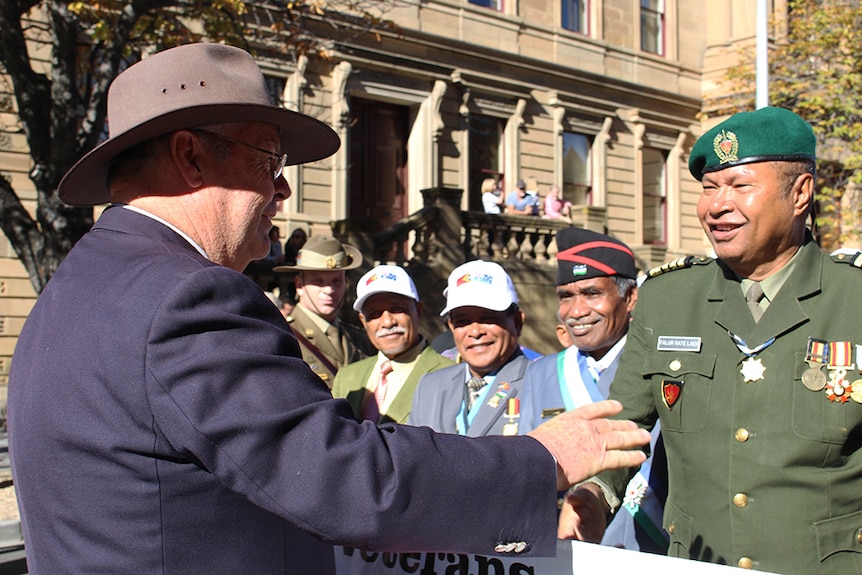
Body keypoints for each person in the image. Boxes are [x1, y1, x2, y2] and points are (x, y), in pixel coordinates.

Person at [7, 43, 649, 574]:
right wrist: (542, 462)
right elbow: (341, 474)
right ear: (191, 156)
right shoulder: (186, 295)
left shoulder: (79, 287)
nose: (283, 188)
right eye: (269, 160)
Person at [560, 106, 862, 574]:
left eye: (740, 186)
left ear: (800, 193)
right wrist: (596, 495)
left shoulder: (853, 297)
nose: (717, 205)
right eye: (709, 187)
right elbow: (621, 425)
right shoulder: (667, 298)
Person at [519, 227, 668, 554]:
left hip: (653, 554)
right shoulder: (541, 374)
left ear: (630, 298)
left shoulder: (665, 366)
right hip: (570, 554)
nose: (576, 311)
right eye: (566, 296)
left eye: (591, 293)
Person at [409, 260, 534, 436]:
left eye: (488, 318)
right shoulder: (430, 387)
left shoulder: (541, 383)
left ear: (517, 322)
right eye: (463, 321)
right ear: (451, 327)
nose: (475, 332)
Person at [332, 265, 454, 424]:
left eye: (397, 309)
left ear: (418, 310)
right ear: (363, 321)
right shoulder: (347, 377)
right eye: (374, 313)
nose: (387, 322)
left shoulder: (451, 375)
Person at [273, 234, 375, 387]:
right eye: (318, 281)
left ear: (346, 283)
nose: (329, 289)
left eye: (336, 281)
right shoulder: (282, 337)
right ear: (299, 285)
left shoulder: (360, 340)